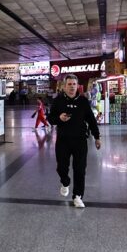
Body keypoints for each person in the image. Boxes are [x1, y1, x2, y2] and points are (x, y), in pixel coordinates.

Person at [48, 74, 101, 208]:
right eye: (69, 84)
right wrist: (59, 118)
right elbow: (50, 119)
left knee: (80, 169)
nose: (72, 87)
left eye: (74, 84)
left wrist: (97, 137)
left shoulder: (83, 101)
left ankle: (77, 196)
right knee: (61, 167)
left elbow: (91, 120)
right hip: (63, 140)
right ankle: (65, 182)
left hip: (80, 141)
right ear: (64, 86)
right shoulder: (58, 100)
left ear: (77, 86)